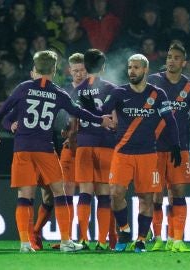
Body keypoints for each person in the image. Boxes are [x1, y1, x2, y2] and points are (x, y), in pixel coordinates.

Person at [0, 50, 113, 252]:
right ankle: (65, 241)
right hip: (45, 149)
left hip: (23, 149)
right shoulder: (58, 92)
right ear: (54, 70)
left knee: (25, 196)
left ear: (35, 69)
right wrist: (101, 120)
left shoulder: (23, 88)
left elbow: (2, 111)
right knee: (59, 193)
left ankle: (25, 243)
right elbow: (78, 112)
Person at [81, 53, 181, 253]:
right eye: (129, 67)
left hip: (148, 154)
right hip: (122, 153)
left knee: (146, 198)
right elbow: (103, 113)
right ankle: (125, 231)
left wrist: (176, 146)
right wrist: (89, 105)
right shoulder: (119, 93)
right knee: (115, 194)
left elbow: (170, 120)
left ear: (145, 70)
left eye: (136, 67)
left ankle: (142, 239)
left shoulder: (157, 94)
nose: (131, 71)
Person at [147, 43, 190, 252]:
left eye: (176, 57)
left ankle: (177, 239)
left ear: (184, 63)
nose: (171, 60)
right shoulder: (154, 81)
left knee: (178, 191)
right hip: (155, 147)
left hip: (180, 147)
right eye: (169, 56)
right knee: (156, 193)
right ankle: (158, 237)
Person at [74, 48, 118, 250]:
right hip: (106, 144)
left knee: (85, 192)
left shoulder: (78, 88)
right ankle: (102, 240)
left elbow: (73, 120)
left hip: (84, 143)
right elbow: (115, 121)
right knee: (103, 193)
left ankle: (82, 239)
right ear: (104, 66)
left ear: (86, 66)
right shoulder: (110, 88)